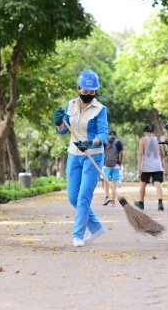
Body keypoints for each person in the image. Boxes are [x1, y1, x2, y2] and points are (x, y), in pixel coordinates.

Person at [52, 69, 108, 248]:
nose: (88, 95)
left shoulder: (100, 109)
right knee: (72, 197)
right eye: (85, 91)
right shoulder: (70, 105)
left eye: (92, 92)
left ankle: (77, 235)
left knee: (83, 197)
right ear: (78, 89)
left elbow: (104, 134)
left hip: (93, 155)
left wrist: (91, 142)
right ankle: (96, 227)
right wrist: (59, 122)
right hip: (74, 155)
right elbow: (62, 132)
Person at [134, 124, 165, 211]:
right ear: (153, 132)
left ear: (145, 132)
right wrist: (159, 161)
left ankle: (141, 202)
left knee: (143, 184)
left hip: (146, 166)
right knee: (157, 183)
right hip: (157, 166)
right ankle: (160, 202)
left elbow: (140, 153)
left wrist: (139, 167)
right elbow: (163, 154)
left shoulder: (143, 140)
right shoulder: (158, 140)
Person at [102, 130, 125, 206]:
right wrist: (121, 163)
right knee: (114, 183)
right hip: (116, 165)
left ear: (108, 135)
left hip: (106, 165)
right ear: (115, 135)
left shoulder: (104, 142)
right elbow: (123, 154)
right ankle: (113, 201)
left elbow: (101, 153)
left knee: (106, 181)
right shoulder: (118, 142)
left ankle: (106, 196)